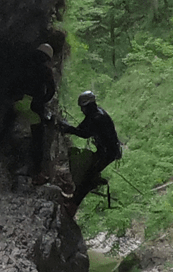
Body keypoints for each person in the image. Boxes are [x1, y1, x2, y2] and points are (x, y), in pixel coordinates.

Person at [59, 89, 122, 217]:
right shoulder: (95, 114)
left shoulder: (97, 117)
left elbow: (84, 133)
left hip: (108, 152)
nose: (82, 110)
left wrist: (69, 129)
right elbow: (83, 127)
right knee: (88, 173)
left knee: (88, 176)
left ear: (87, 106)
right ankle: (74, 199)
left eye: (83, 108)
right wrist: (69, 128)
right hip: (106, 150)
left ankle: (73, 205)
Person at [25, 42, 57, 181]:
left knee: (9, 121)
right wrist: (42, 101)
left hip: (19, 101)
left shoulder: (24, 65)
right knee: (38, 137)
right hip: (35, 105)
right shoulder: (45, 71)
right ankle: (36, 170)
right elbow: (51, 91)